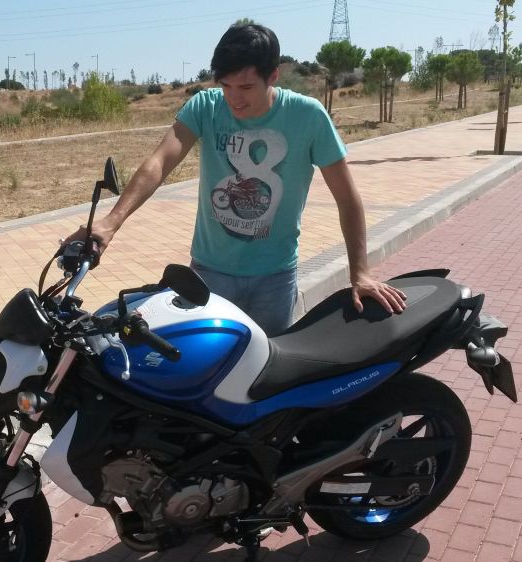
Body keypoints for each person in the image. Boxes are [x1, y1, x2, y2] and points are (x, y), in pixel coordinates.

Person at [72, 22, 406, 336]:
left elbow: (347, 198)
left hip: (274, 279)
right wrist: (112, 221)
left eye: (246, 87)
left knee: (268, 370)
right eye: (226, 86)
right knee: (204, 367)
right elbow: (159, 162)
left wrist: (360, 273)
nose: (234, 98)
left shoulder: (307, 116)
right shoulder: (205, 107)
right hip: (208, 274)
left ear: (273, 76)